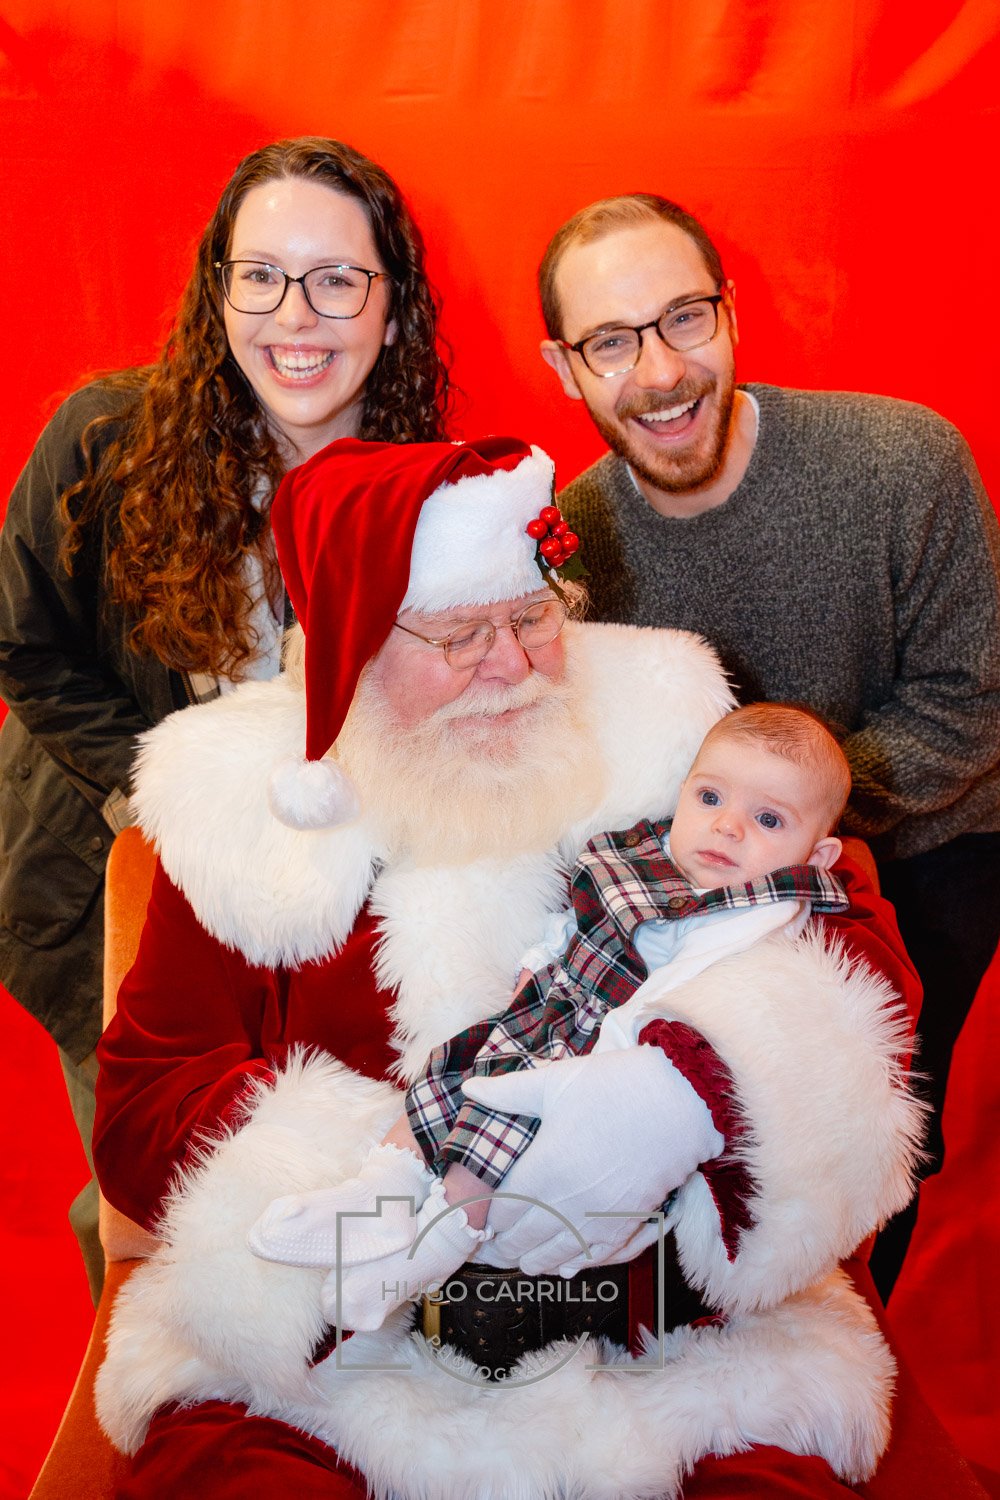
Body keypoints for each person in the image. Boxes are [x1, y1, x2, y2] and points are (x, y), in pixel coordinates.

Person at [92, 434, 923, 1499]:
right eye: (458, 634)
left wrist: (682, 1094)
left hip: (664, 1344)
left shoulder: (666, 726)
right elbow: (145, 1105)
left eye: (534, 617)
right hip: (338, 1356)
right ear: (347, 645)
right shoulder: (235, 814)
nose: (513, 663)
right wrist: (415, 1170)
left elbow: (839, 926)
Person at [0, 135, 448, 1300]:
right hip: (120, 891)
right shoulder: (103, 443)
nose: (295, 316)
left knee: (306, 1194)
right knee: (147, 1203)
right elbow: (26, 646)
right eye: (262, 275)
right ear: (219, 289)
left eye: (338, 278)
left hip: (336, 925)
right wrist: (167, 792)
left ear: (392, 310)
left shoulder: (424, 491)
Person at [536, 191, 1000, 1297]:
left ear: (731, 312)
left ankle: (834, 1348)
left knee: (860, 1156)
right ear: (564, 368)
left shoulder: (902, 463)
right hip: (691, 883)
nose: (657, 373)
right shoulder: (573, 535)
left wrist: (785, 829)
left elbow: (972, 700)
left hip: (920, 862)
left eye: (683, 319)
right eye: (610, 341)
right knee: (682, 1140)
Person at [249, 702, 855, 1334]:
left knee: (494, 1130)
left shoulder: (754, 913)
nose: (727, 827)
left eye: (767, 818)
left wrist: (612, 1067)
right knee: (446, 1070)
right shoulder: (644, 854)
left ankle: (438, 1243)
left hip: (601, 1055)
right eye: (709, 797)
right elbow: (573, 919)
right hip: (548, 1005)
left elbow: (687, 996)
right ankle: (380, 1190)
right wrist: (539, 963)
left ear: (816, 856)